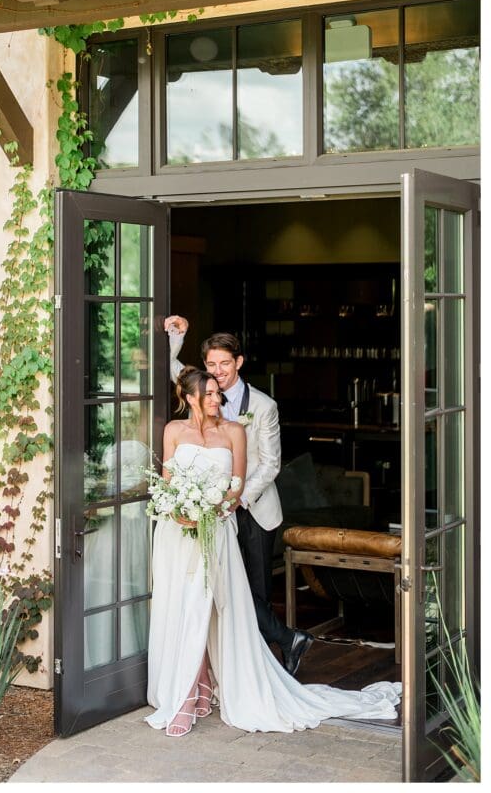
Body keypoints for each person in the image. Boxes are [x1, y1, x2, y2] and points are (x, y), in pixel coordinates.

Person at [145, 366, 401, 736]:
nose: (219, 399)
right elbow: (168, 482)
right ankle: (195, 691)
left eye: (219, 393)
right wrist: (179, 511)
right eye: (211, 394)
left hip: (215, 532)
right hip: (176, 536)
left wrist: (212, 509)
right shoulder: (173, 430)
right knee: (181, 610)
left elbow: (236, 487)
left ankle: (187, 701)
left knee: (207, 610)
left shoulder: (234, 432)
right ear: (189, 399)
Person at [164, 315, 312, 676]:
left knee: (255, 590)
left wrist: (236, 498)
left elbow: (272, 464)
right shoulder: (201, 392)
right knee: (225, 586)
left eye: (225, 364)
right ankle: (286, 641)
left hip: (254, 509)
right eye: (212, 364)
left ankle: (258, 668)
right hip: (211, 510)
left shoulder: (263, 406)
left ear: (239, 363)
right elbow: (174, 370)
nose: (219, 371)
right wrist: (175, 336)